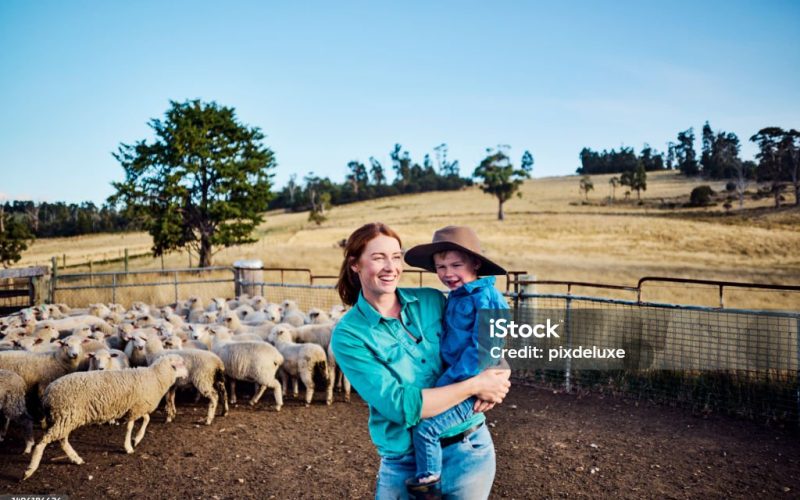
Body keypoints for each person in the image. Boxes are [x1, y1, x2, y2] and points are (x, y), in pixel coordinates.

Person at [331, 223, 511, 500]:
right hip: (405, 463)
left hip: (468, 449)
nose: (390, 266)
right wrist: (476, 384)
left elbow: (482, 339)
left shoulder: (432, 300)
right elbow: (401, 406)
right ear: (355, 264)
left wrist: (498, 372)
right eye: (379, 257)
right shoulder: (349, 335)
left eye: (396, 256)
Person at [402, 225, 510, 497]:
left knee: (427, 428)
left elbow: (483, 351)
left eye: (456, 265)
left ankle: (429, 483)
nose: (448, 273)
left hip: (467, 384)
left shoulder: (489, 300)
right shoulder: (456, 297)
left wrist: (444, 385)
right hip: (460, 380)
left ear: (475, 263)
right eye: (441, 267)